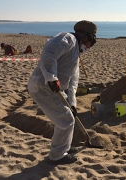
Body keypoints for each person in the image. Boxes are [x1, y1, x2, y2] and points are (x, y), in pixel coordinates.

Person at [27, 20, 97, 165]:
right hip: (43, 86)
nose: (90, 45)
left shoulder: (76, 55)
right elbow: (49, 51)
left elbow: (72, 84)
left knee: (68, 116)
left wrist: (72, 104)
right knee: (66, 121)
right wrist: (51, 77)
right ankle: (57, 156)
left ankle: (64, 147)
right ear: (85, 37)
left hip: (54, 90)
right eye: (92, 40)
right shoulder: (68, 38)